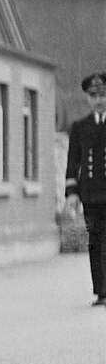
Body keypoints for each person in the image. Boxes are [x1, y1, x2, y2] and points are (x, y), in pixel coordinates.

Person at [64, 71, 106, 306]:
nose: (98, 100)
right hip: (91, 194)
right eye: (93, 95)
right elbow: (73, 162)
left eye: (102, 95)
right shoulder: (80, 127)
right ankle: (100, 290)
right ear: (88, 98)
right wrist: (72, 193)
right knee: (95, 240)